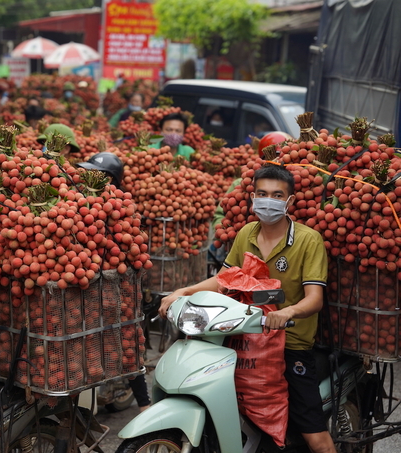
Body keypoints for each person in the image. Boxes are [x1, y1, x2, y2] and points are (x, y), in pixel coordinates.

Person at [159, 164, 334, 453]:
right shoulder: (246, 234)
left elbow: (314, 298)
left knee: (316, 439)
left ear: (289, 201)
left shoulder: (307, 240)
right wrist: (184, 291)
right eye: (263, 194)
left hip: (291, 342)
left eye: (277, 195)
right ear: (253, 198)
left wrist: (287, 313)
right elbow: (225, 280)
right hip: (246, 336)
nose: (269, 200)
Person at [78, 153, 151, 412]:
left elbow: (135, 255)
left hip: (115, 287)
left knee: (126, 338)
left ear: (114, 182)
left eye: (102, 176)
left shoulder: (121, 211)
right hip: (86, 285)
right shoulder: (78, 205)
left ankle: (144, 403)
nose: (92, 178)